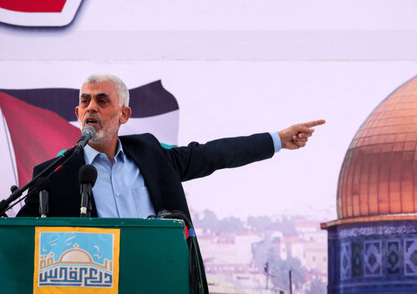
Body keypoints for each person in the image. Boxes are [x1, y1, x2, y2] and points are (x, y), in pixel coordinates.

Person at [17, 73, 325, 221]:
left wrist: (277, 140)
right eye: (85, 102)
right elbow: (19, 241)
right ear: (77, 115)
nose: (91, 108)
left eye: (102, 100)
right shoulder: (53, 174)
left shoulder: (151, 154)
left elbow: (213, 155)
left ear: (124, 114)